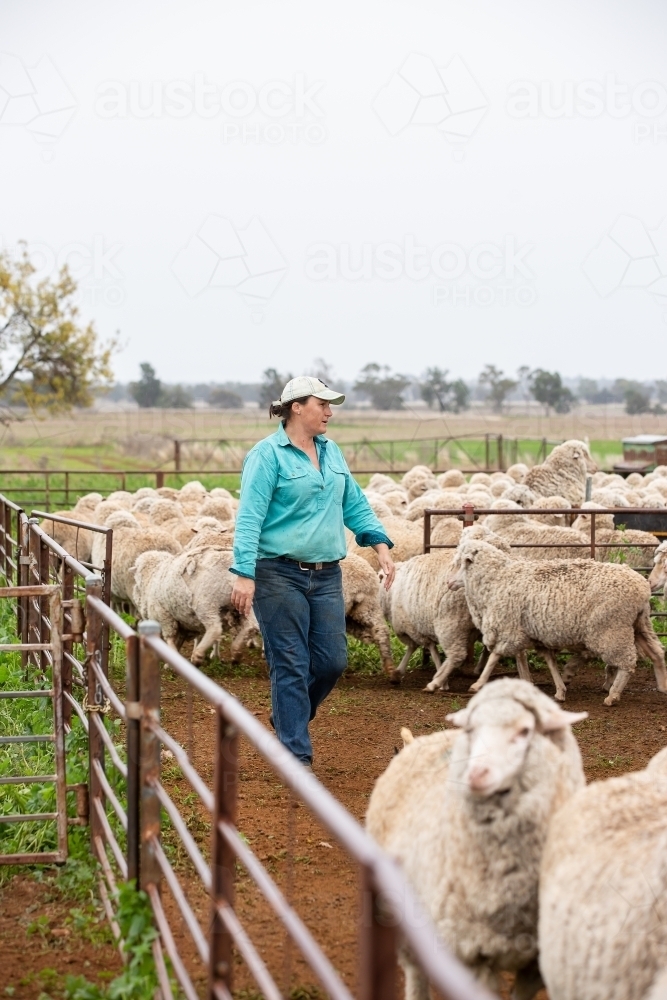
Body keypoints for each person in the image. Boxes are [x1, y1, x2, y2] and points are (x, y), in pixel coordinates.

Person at [230, 375, 395, 767]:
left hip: (325, 575)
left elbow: (353, 502)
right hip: (277, 573)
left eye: (329, 405)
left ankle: (290, 716)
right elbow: (249, 517)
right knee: (290, 662)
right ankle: (295, 758)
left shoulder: (331, 451)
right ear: (297, 408)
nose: (329, 411)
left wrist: (381, 546)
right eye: (322, 404)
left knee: (332, 661)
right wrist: (243, 572)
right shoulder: (267, 455)